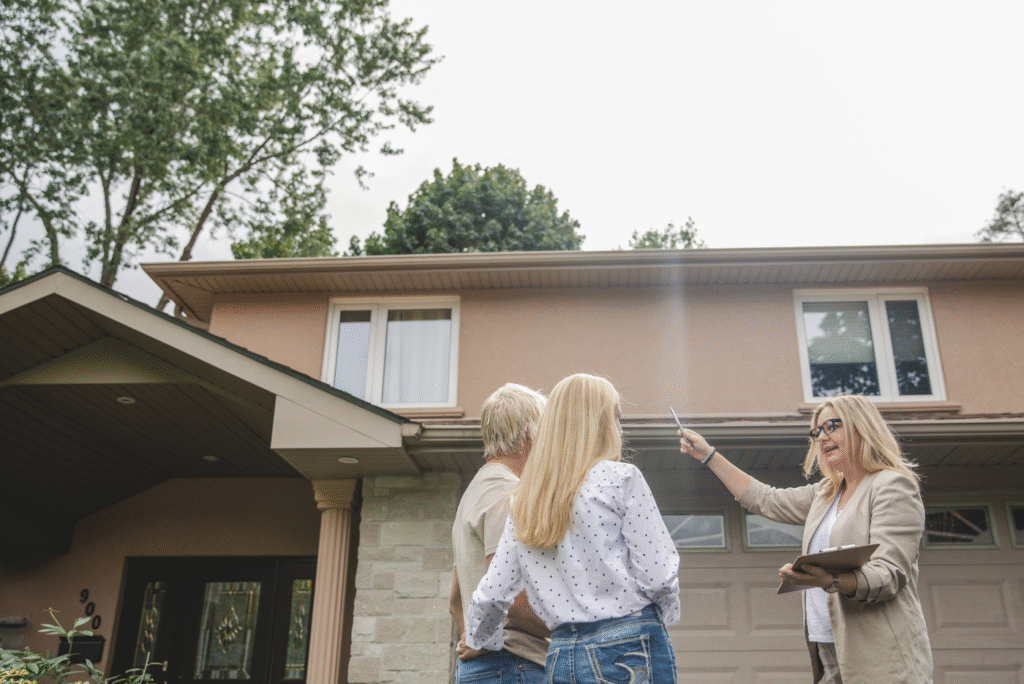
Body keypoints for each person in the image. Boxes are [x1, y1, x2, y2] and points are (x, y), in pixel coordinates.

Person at [678, 394, 932, 684]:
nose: (822, 437)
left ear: (863, 427)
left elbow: (888, 575)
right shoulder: (826, 493)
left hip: (880, 655)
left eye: (833, 426)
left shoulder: (891, 486)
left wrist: (828, 580)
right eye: (817, 431)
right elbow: (765, 499)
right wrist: (708, 455)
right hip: (827, 646)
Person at [466, 373, 681, 684]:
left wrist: (481, 640)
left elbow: (492, 594)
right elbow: (659, 575)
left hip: (563, 654)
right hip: (629, 643)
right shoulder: (620, 479)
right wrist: (666, 613)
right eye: (616, 418)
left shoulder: (525, 500)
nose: (620, 429)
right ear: (602, 424)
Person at [449, 383, 551, 684]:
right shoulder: (507, 493)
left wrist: (476, 637)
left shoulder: (476, 491)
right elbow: (515, 601)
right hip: (514, 666)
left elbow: (455, 600)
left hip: (492, 668)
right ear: (529, 436)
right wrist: (569, 631)